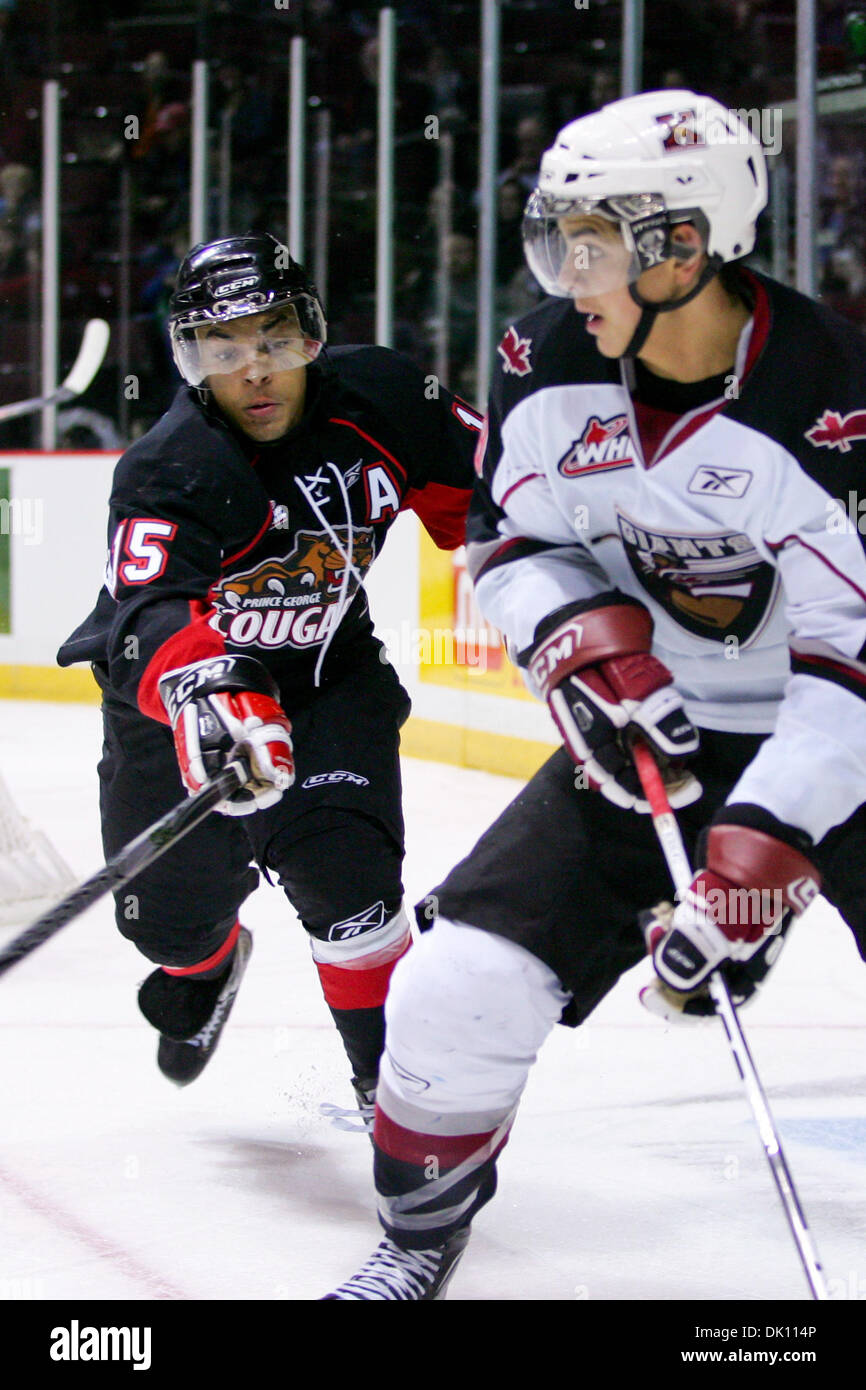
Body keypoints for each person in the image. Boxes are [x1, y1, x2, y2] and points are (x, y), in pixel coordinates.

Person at [325, 90, 866, 1299]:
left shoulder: (834, 395)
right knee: (455, 986)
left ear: (683, 243)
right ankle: (417, 1240)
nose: (564, 273)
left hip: (836, 738)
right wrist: (577, 647)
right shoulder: (545, 355)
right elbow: (511, 545)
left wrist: (766, 836)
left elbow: (850, 655)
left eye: (593, 241)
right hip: (652, 734)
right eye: (555, 238)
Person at [57, 232, 479, 1124]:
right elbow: (145, 614)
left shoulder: (389, 400)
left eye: (274, 339)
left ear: (314, 334)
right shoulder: (171, 467)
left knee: (351, 883)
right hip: (180, 706)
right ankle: (205, 966)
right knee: (168, 922)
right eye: (223, 348)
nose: (254, 371)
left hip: (328, 679)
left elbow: (499, 499)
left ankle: (396, 1099)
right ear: (189, 359)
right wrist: (209, 688)